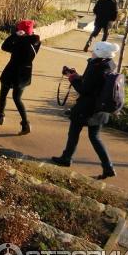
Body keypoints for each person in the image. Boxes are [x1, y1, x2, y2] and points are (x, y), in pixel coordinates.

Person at [52, 41, 120, 180]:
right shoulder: (109, 64)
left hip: (87, 108)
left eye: (94, 51)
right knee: (95, 137)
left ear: (100, 53)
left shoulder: (97, 67)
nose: (92, 52)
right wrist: (77, 76)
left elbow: (84, 89)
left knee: (73, 133)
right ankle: (108, 167)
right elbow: (93, 84)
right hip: (100, 109)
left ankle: (66, 158)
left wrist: (71, 78)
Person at [0, 20, 41, 135]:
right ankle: (25, 123)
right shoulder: (36, 42)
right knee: (17, 98)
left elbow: (4, 47)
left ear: (21, 31)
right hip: (25, 73)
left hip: (12, 71)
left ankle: (0, 116)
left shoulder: (20, 42)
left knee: (3, 94)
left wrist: (15, 35)